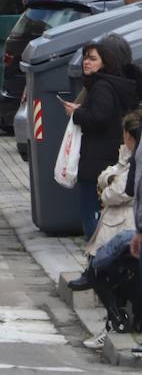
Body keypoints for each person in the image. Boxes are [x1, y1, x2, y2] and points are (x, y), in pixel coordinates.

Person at [66, 110, 138, 349]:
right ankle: (114, 321)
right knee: (106, 269)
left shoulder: (137, 156)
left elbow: (126, 190)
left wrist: (106, 192)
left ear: (128, 135)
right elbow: (110, 174)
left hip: (125, 224)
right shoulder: (128, 153)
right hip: (121, 223)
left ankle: (116, 321)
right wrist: (108, 182)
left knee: (106, 270)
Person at [63, 35, 141, 239]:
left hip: (96, 159)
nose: (86, 62)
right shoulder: (122, 83)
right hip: (110, 156)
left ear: (107, 60)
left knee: (93, 219)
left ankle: (96, 264)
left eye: (93, 58)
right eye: (85, 58)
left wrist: (77, 113)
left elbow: (100, 118)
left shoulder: (102, 86)